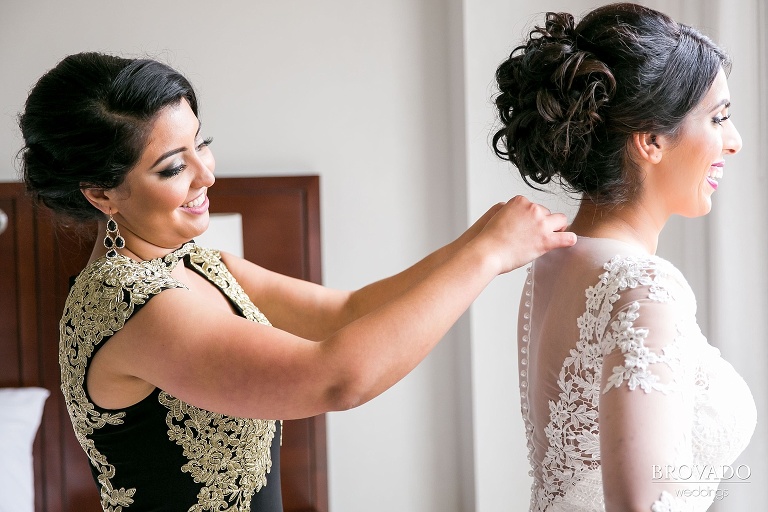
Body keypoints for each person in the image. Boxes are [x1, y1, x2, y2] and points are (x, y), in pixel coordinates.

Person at [18, 51, 575, 512]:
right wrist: (485, 255)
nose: (206, 174)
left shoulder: (197, 264)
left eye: (201, 143)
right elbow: (338, 379)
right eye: (172, 167)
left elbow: (346, 312)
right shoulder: (135, 306)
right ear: (102, 194)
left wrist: (476, 240)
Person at [491, 3, 756, 511]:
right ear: (651, 140)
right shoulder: (644, 286)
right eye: (718, 118)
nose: (734, 141)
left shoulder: (556, 261)